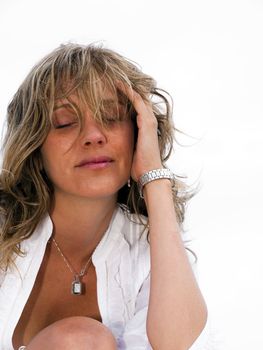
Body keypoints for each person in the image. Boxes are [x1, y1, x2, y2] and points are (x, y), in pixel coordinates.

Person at [0, 43, 213, 350]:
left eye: (111, 116)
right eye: (65, 122)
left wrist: (154, 178)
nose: (93, 135)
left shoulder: (148, 249)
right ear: (35, 146)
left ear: (138, 134)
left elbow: (179, 346)